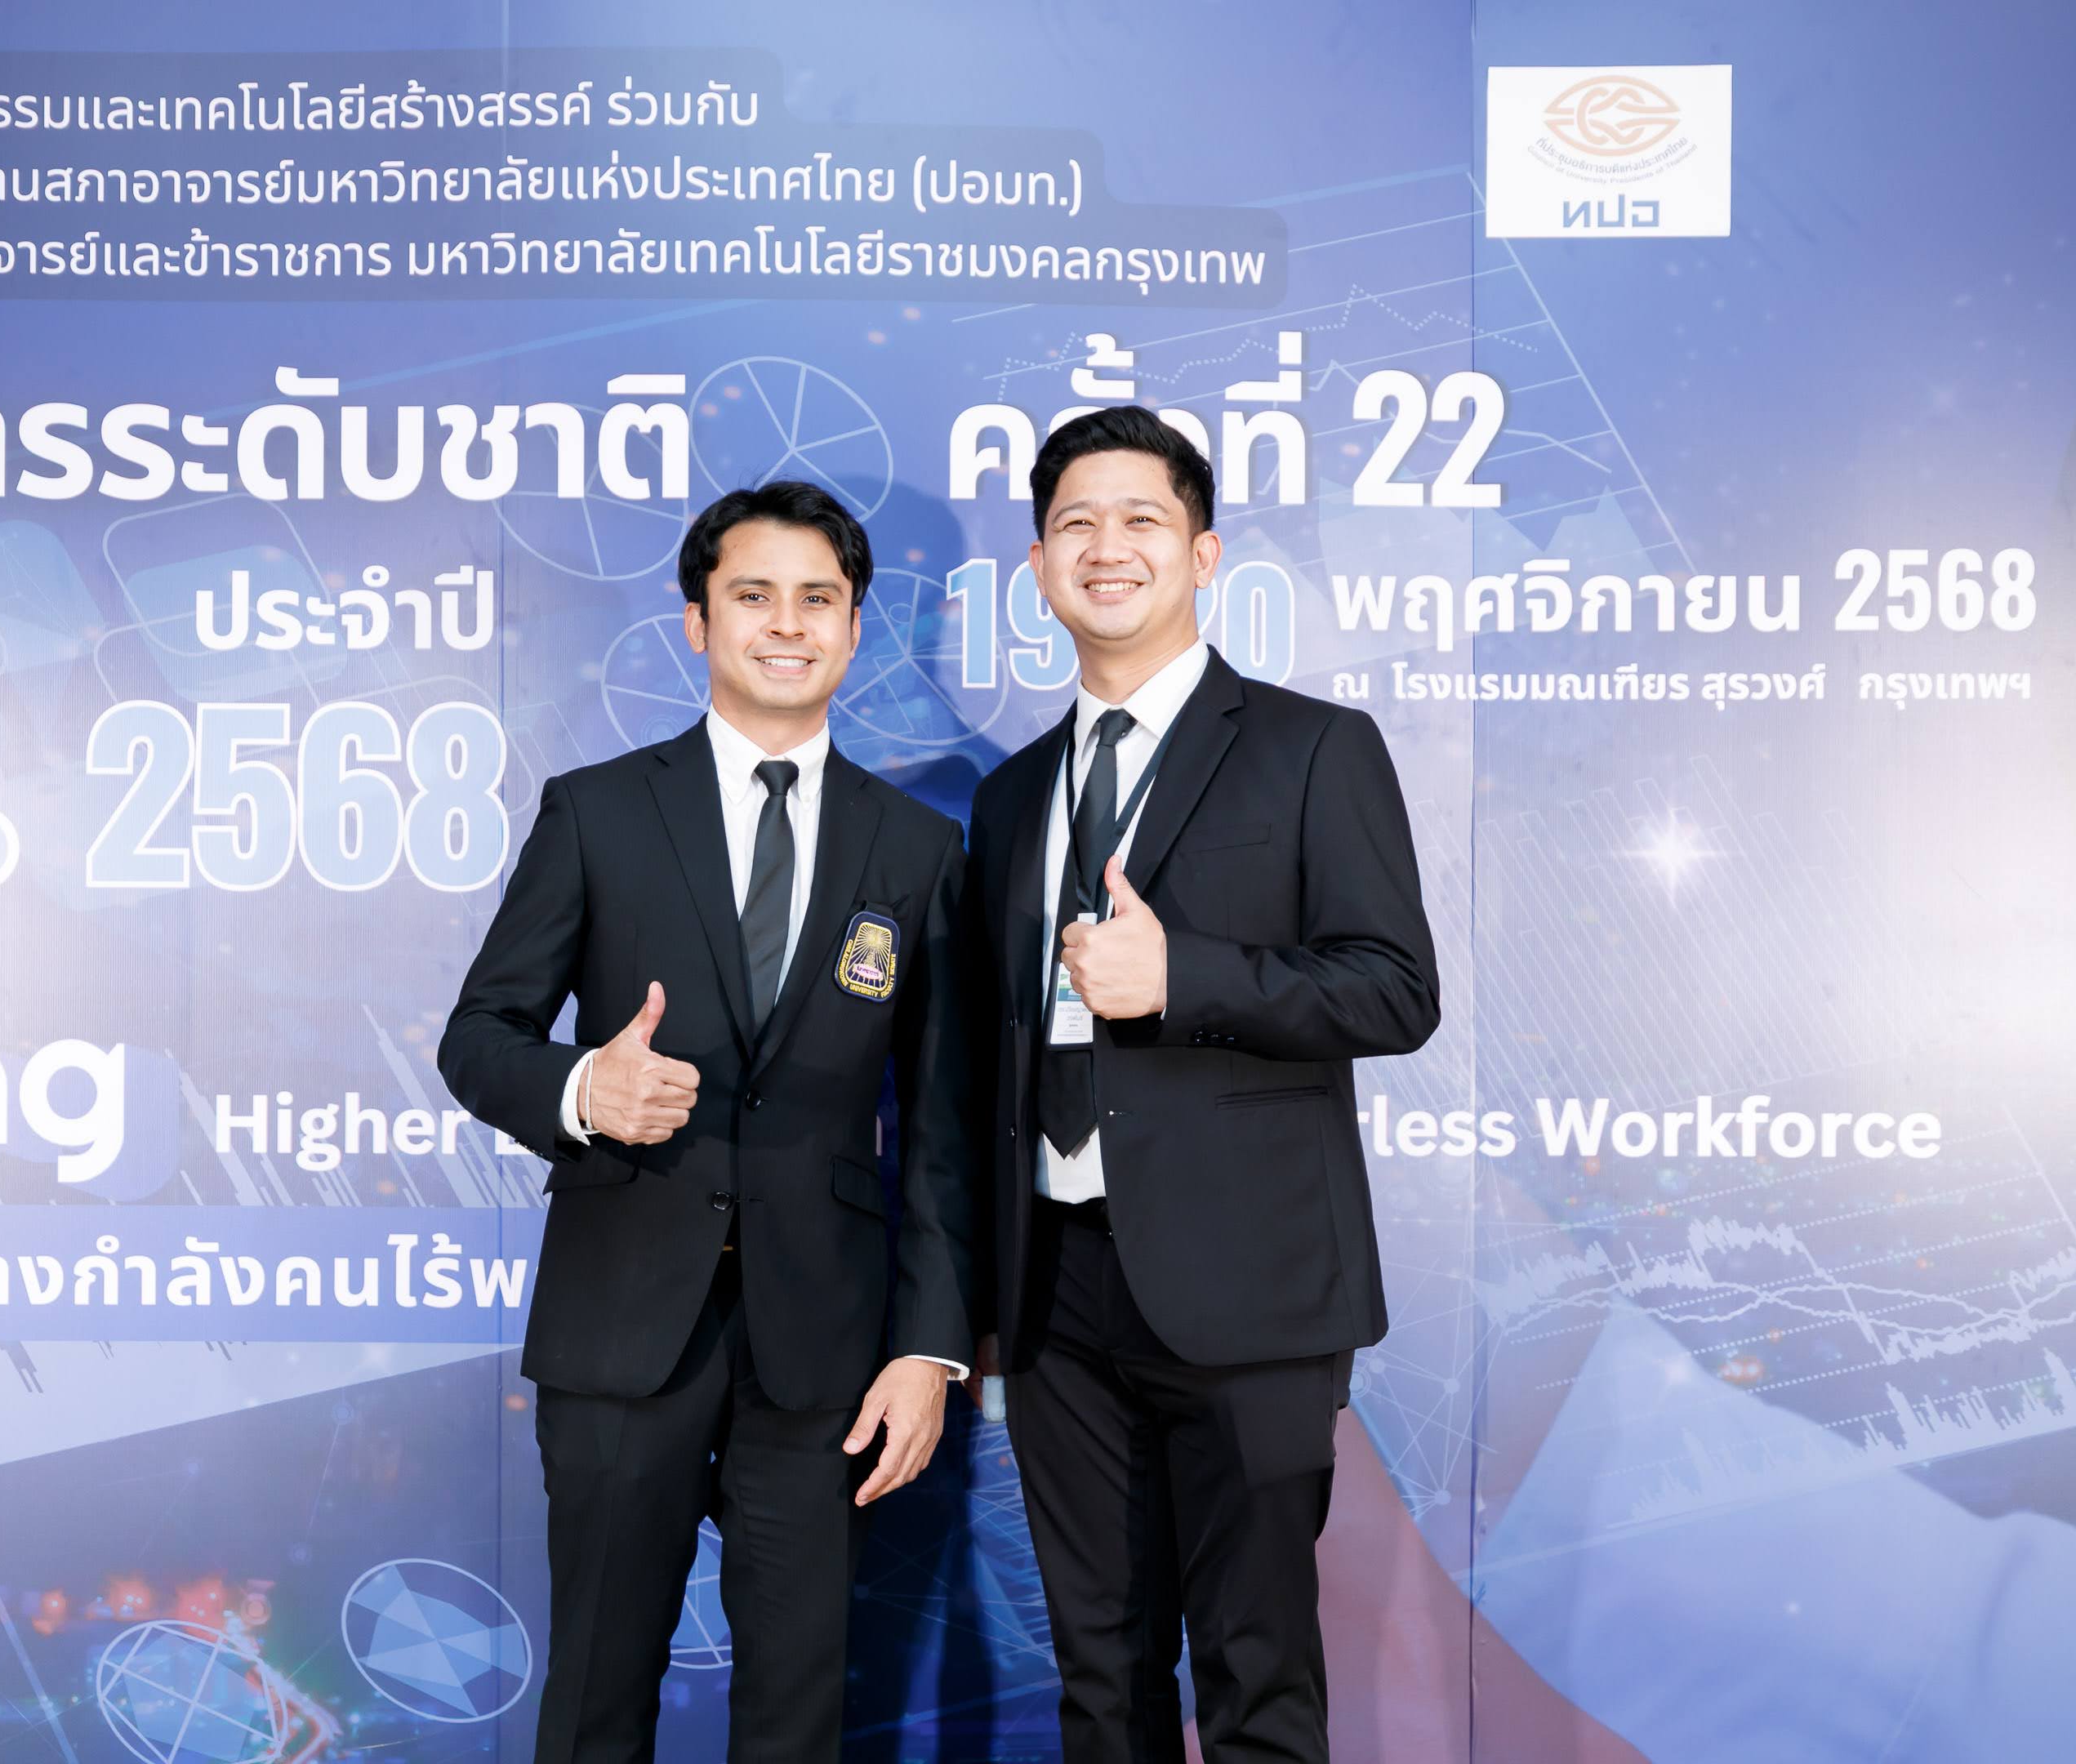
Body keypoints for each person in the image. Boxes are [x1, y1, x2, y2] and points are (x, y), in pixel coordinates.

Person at [438, 480, 982, 1763]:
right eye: (753, 595)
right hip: (621, 1325)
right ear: (698, 621)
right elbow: (480, 1037)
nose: (786, 624)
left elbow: (945, 1130)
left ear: (854, 629)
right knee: (595, 1703)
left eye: (818, 600)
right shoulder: (600, 810)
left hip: (825, 1352)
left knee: (798, 1716)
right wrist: (584, 1089)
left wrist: (930, 1349)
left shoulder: (917, 848)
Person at [961, 406, 1441, 1762]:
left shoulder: (1312, 747)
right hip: (1054, 1299)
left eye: (1142, 520)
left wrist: (1189, 977)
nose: (1106, 547)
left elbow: (1394, 990)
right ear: (1039, 567)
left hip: (1250, 1288)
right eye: (1074, 524)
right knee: (1098, 1681)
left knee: (1254, 1675)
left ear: (1204, 553)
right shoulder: (1010, 798)